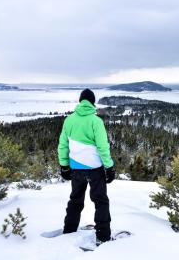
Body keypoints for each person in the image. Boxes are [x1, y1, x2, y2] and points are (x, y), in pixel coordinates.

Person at [57, 88, 116, 244]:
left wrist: (64, 165)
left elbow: (63, 145)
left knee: (75, 200)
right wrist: (109, 167)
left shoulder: (69, 120)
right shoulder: (96, 121)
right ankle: (103, 236)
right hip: (95, 169)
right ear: (92, 102)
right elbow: (103, 147)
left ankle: (69, 231)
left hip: (76, 169)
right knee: (100, 201)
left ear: (80, 101)